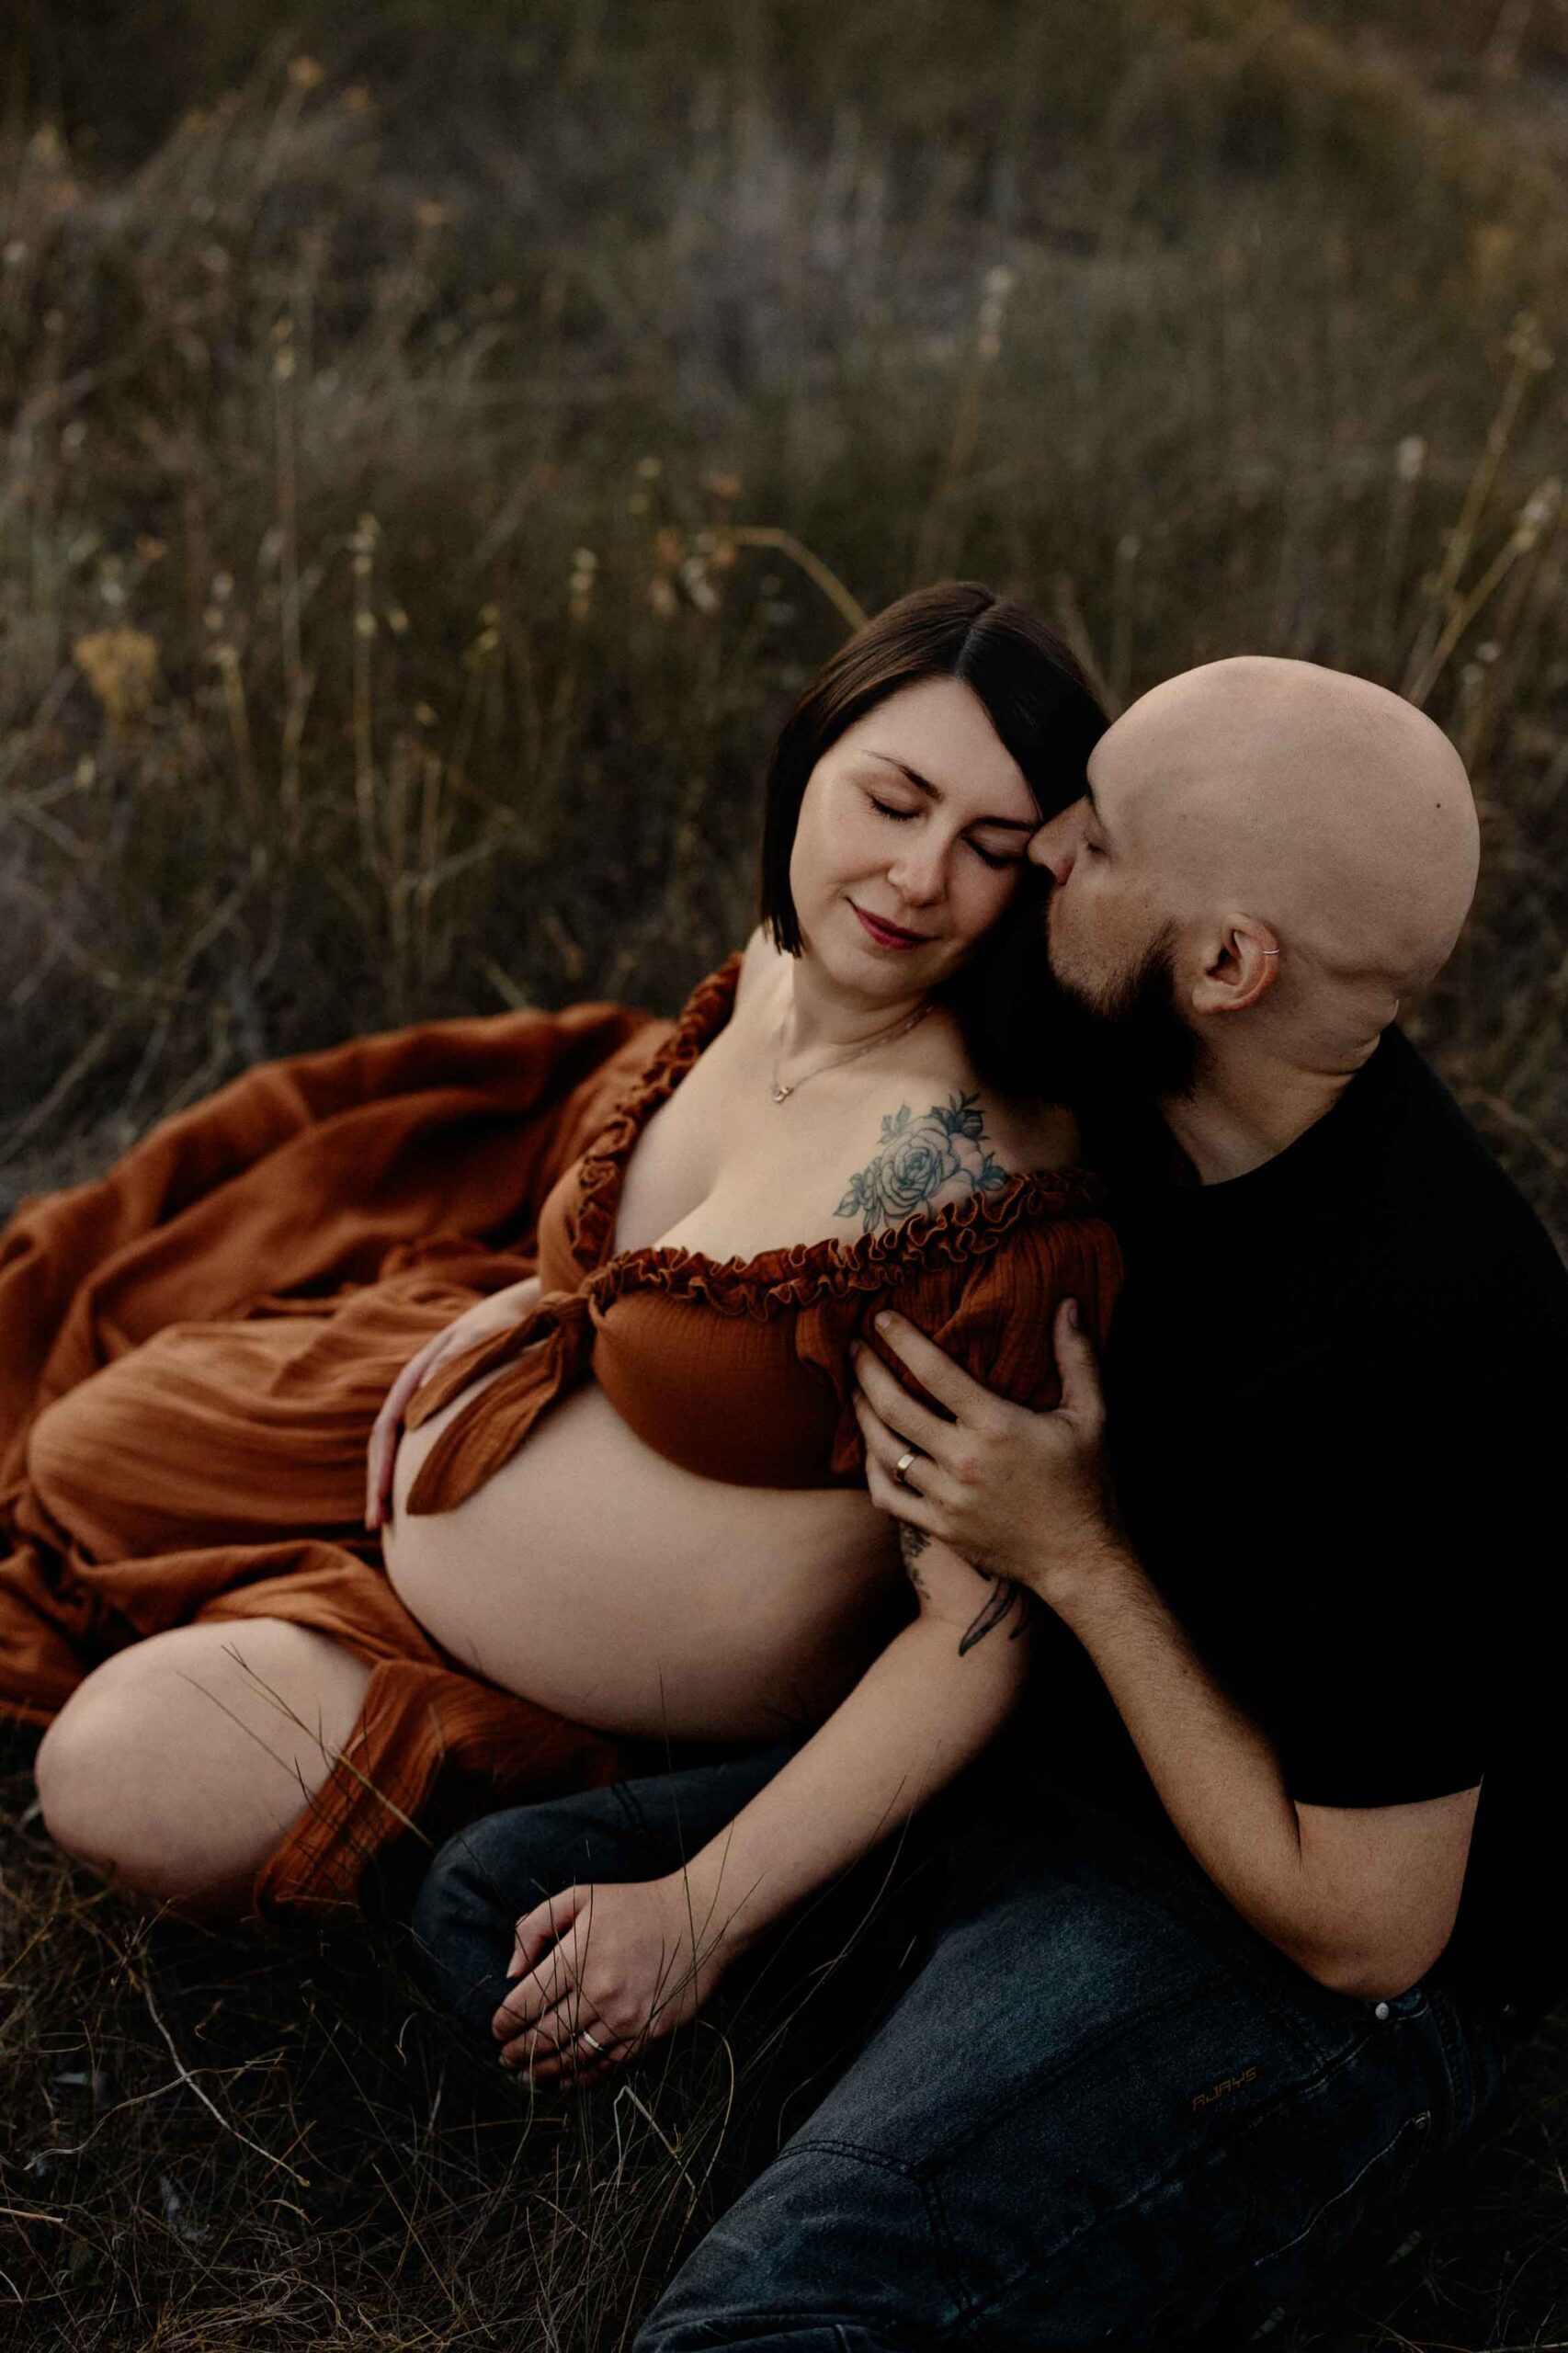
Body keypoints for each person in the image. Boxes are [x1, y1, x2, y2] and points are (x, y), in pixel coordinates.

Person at [414, 654, 1568, 2347]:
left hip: (1269, 1961)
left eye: (1092, 845)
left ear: (1229, 962)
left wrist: (1078, 1558)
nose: (1039, 861)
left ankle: (985, 2200)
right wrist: (567, 1289)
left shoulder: (1425, 1346)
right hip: (1054, 1795)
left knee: (754, 2333)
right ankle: (918, 2146)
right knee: (487, 1912)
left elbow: (1369, 1933)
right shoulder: (1154, 1073)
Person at [8, 582, 1120, 1951]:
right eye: (890, 805)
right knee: (81, 1451)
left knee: (112, 1776)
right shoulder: (781, 960)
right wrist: (526, 1304)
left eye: (989, 847)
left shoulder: (977, 1197)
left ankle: (475, 1798)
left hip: (582, 1703)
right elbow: (676, 1236)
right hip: (479, 1434)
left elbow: (977, 1644)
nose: (915, 878)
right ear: (806, 757)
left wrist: (697, 1915)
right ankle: (289, 1589)